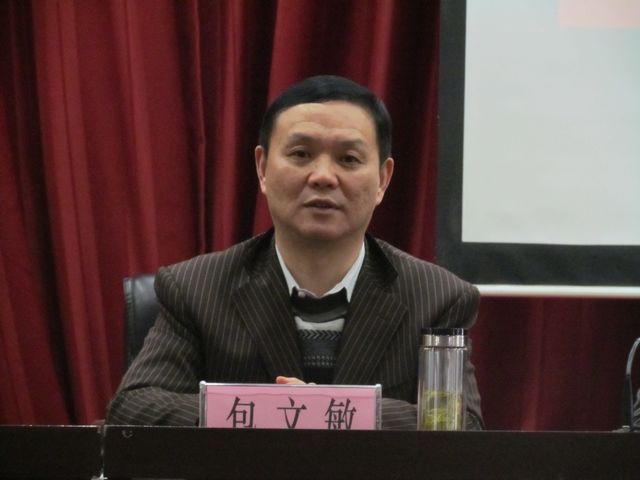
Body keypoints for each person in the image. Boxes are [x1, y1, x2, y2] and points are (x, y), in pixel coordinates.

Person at [107, 75, 483, 429]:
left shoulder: (438, 297)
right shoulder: (195, 287)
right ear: (262, 168)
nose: (323, 176)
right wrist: (280, 412)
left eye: (348, 159)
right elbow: (134, 407)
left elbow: (460, 423)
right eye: (301, 154)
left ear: (383, 179)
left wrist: (321, 410)